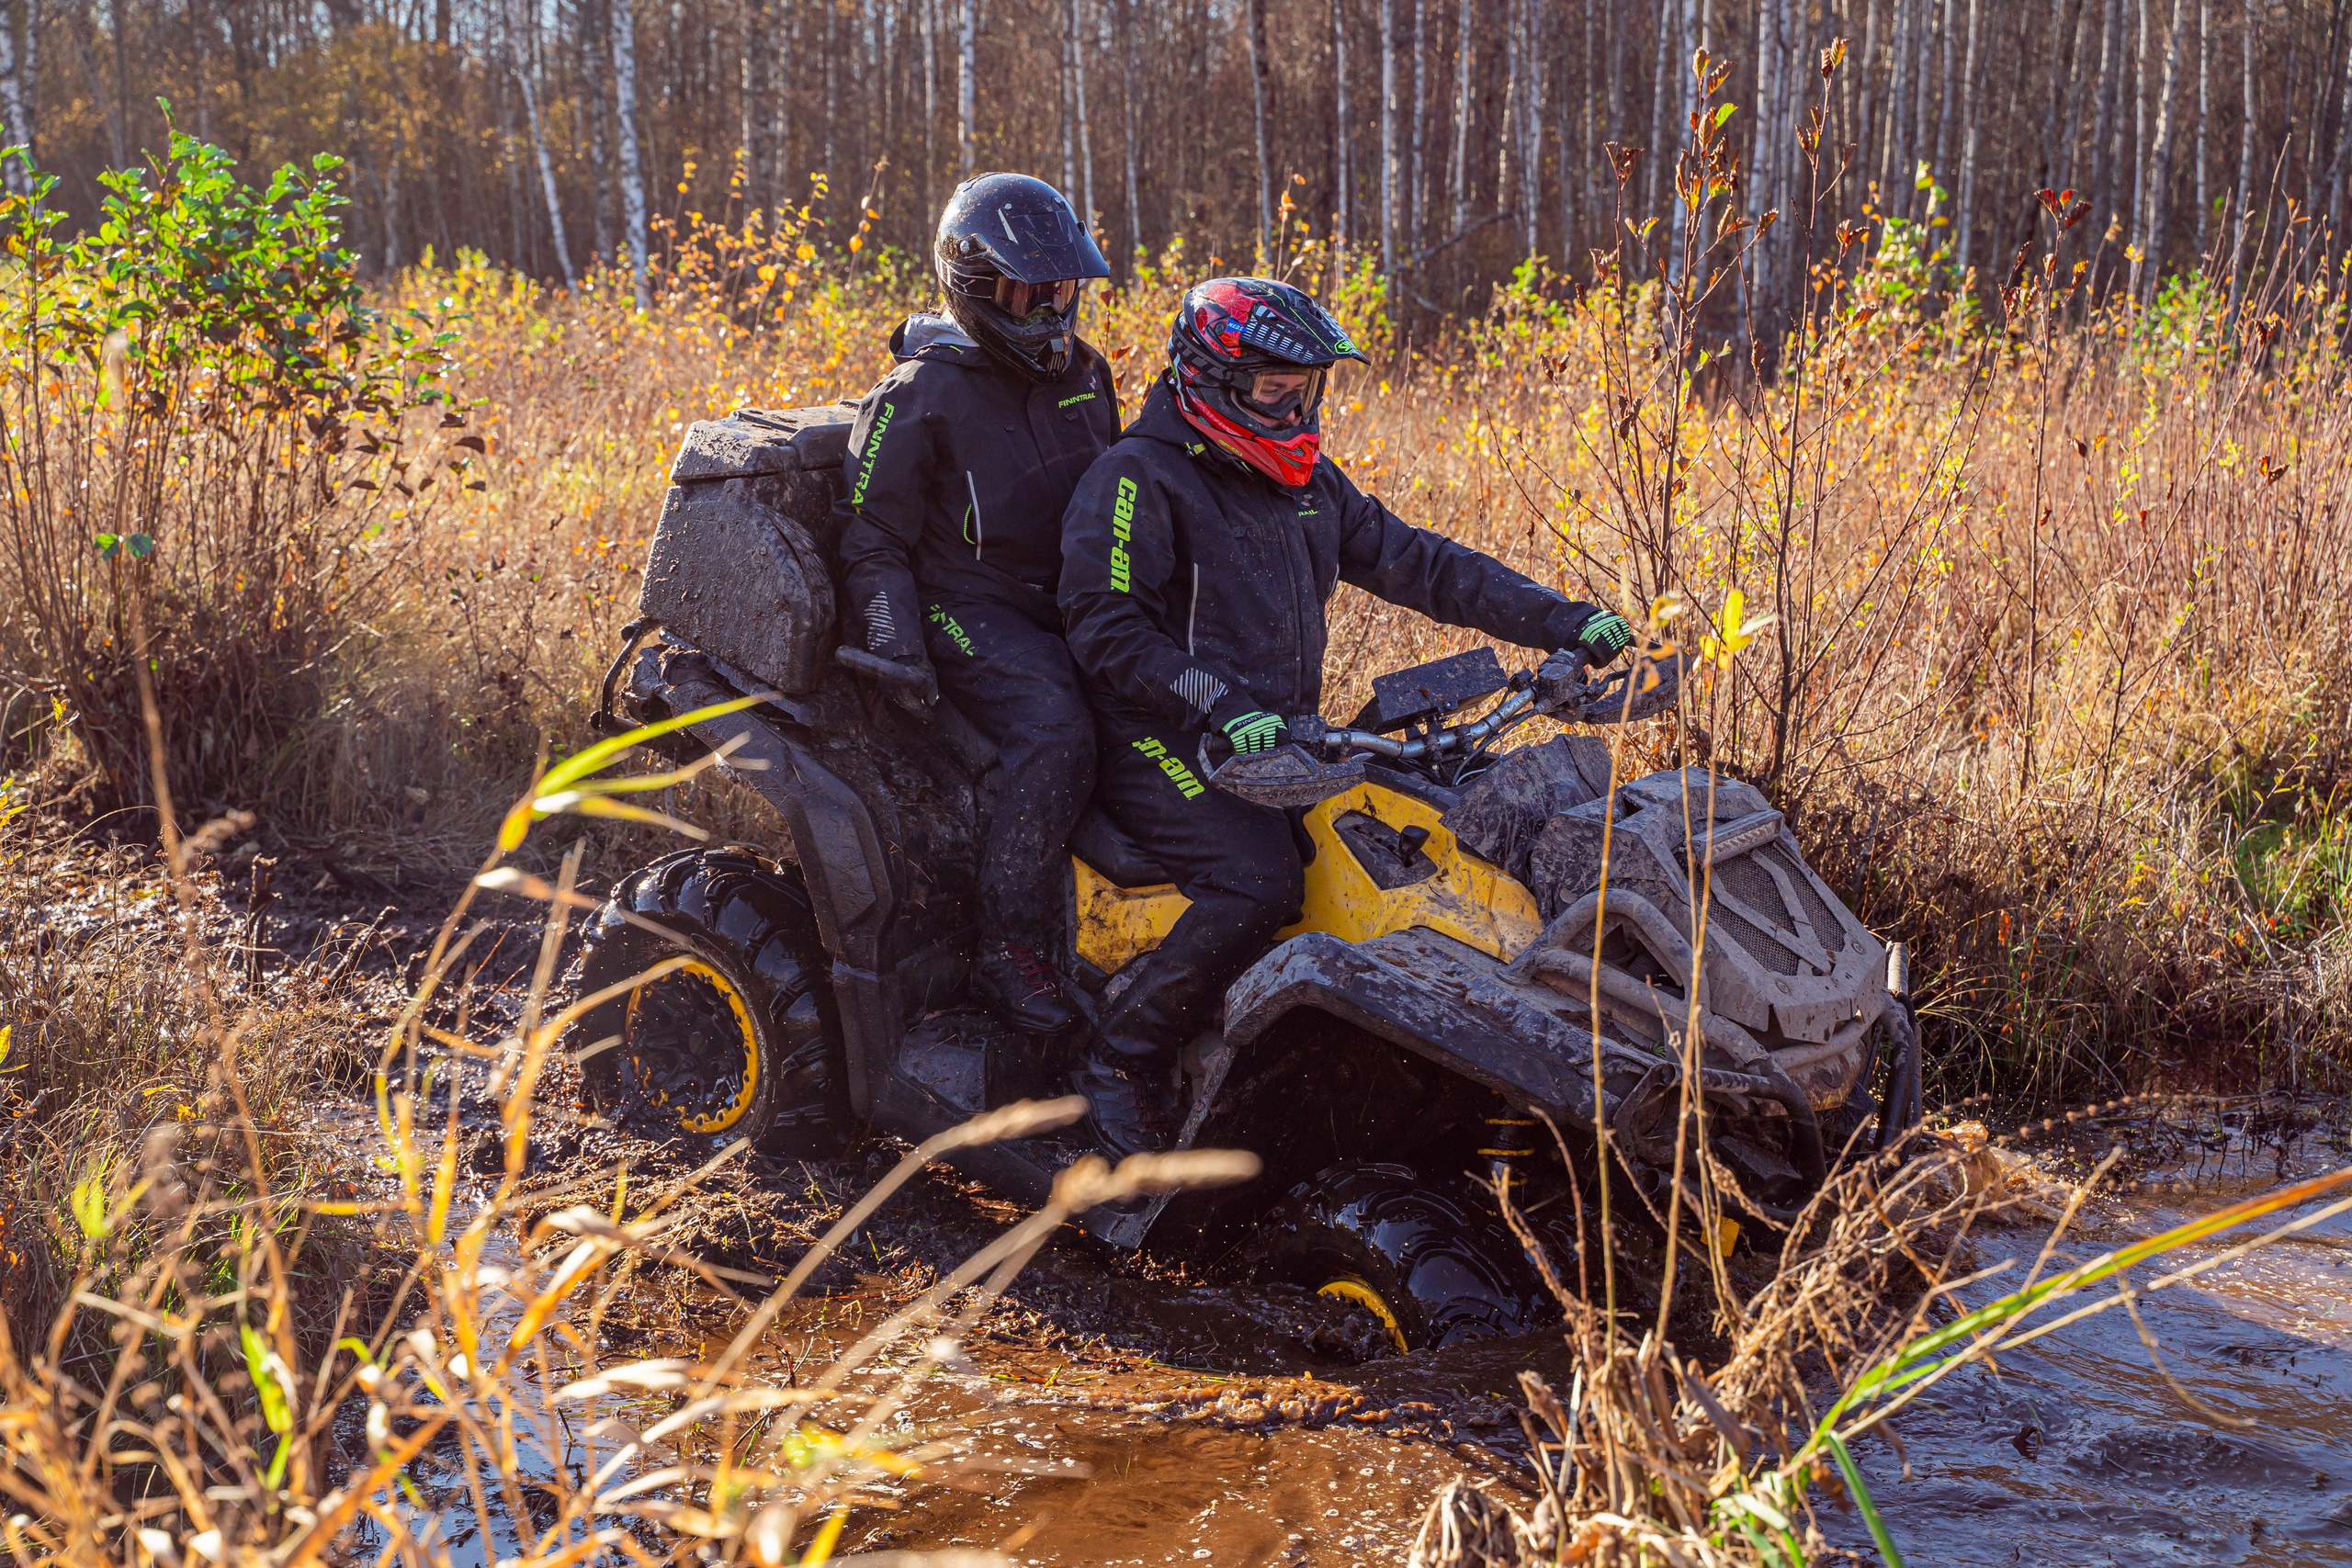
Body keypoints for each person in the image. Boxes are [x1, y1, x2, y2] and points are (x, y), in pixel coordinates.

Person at [1057, 277, 1633, 1154]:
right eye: (1275, 390)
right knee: (1261, 879)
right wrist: (1215, 700)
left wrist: (1561, 618)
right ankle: (1120, 1059)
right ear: (1214, 377)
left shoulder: (1306, 484)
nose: (1294, 408)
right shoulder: (1138, 476)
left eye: (1307, 390)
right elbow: (1102, 624)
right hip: (1154, 733)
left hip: (1274, 737)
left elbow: (1422, 563)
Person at [836, 172, 1120, 1034]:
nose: (1050, 311)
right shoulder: (919, 393)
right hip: (964, 602)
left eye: (1063, 290)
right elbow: (869, 538)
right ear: (976, 285)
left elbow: (1119, 493)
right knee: (1058, 728)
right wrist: (897, 648)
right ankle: (1009, 950)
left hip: (1065, 595)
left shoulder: (1086, 373)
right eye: (1031, 292)